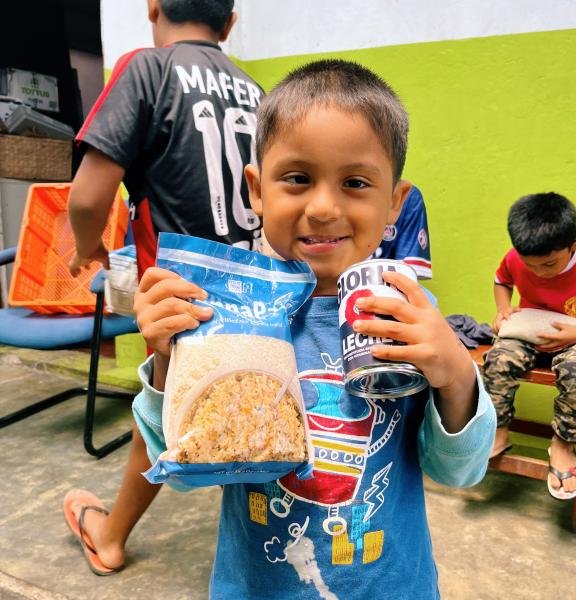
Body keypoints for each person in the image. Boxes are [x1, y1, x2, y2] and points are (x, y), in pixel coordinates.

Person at [132, 59, 496, 598]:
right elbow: (176, 457)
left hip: (391, 584)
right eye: (298, 178)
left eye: (355, 182)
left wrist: (457, 375)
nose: (323, 208)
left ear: (394, 202)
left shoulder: (406, 317)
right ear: (257, 190)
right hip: (254, 586)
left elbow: (458, 473)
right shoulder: (229, 314)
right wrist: (167, 359)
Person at [63, 0, 263, 575]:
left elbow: (86, 198)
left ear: (152, 6)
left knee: (159, 409)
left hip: (179, 293)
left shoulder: (145, 69)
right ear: (229, 23)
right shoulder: (255, 88)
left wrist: (87, 248)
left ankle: (110, 535)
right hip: (254, 287)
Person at [483, 192, 576, 500]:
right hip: (532, 332)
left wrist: (574, 336)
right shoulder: (515, 258)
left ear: (575, 242)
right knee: (498, 358)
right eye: (530, 265)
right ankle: (499, 429)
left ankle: (563, 444)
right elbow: (501, 279)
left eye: (549, 264)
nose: (539, 273)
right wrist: (503, 309)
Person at [372, 183, 432, 279]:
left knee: (425, 294)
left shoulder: (408, 197)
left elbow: (409, 277)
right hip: (341, 286)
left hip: (389, 287)